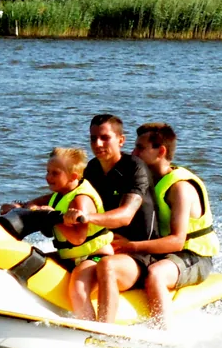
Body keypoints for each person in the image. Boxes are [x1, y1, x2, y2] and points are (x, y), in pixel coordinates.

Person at [114, 121, 217, 322]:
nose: (133, 153)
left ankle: (163, 332)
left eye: (140, 148)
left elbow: (177, 241)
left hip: (194, 256)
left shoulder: (180, 188)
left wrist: (131, 246)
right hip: (163, 253)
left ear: (160, 151)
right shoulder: (146, 179)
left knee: (156, 274)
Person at [66, 113, 160, 321]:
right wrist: (30, 205)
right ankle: (86, 333)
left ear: (120, 140)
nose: (97, 144)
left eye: (104, 137)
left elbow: (125, 216)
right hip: (106, 252)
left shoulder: (135, 168)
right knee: (80, 275)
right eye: (92, 138)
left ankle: (106, 333)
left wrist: (86, 218)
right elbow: (66, 191)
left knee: (106, 266)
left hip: (141, 256)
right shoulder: (92, 169)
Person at [0, 147, 111, 285]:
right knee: (27, 264)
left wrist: (54, 217)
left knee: (78, 288)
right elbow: (34, 204)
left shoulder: (81, 199)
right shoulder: (60, 194)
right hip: (71, 257)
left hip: (95, 257)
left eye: (55, 173)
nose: (48, 177)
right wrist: (17, 207)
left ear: (73, 176)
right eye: (48, 172)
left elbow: (78, 238)